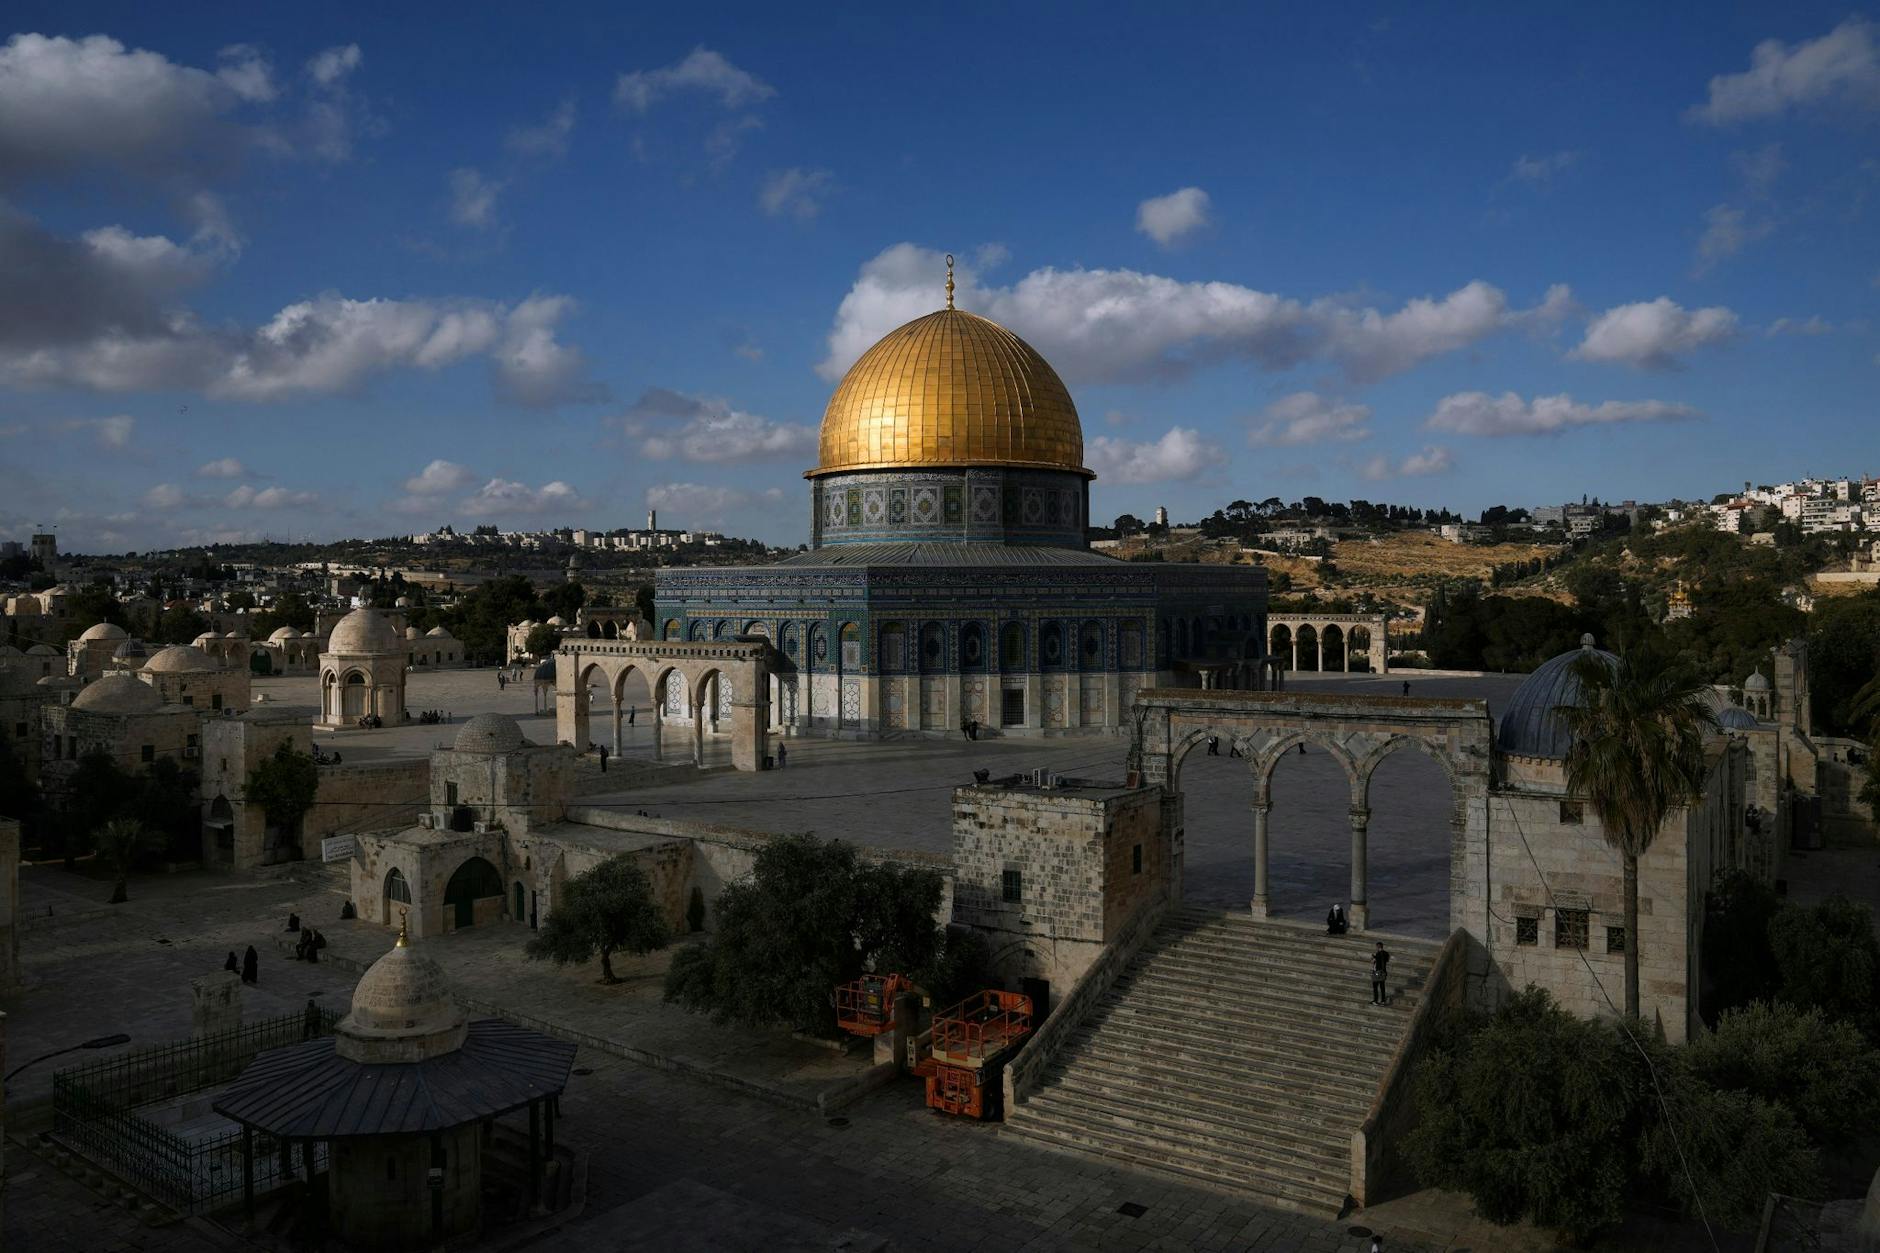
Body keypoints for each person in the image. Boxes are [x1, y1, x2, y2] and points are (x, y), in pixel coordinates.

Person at [1371, 941, 1392, 1005]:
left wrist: (1373, 958)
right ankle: (1383, 1001)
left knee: (1375, 986)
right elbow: (1387, 960)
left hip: (1377, 972)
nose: (1376, 948)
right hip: (1383, 972)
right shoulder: (1386, 953)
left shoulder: (1378, 954)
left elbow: (1375, 962)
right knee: (1382, 987)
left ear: (1378, 946)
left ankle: (1375, 1001)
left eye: (1376, 946)